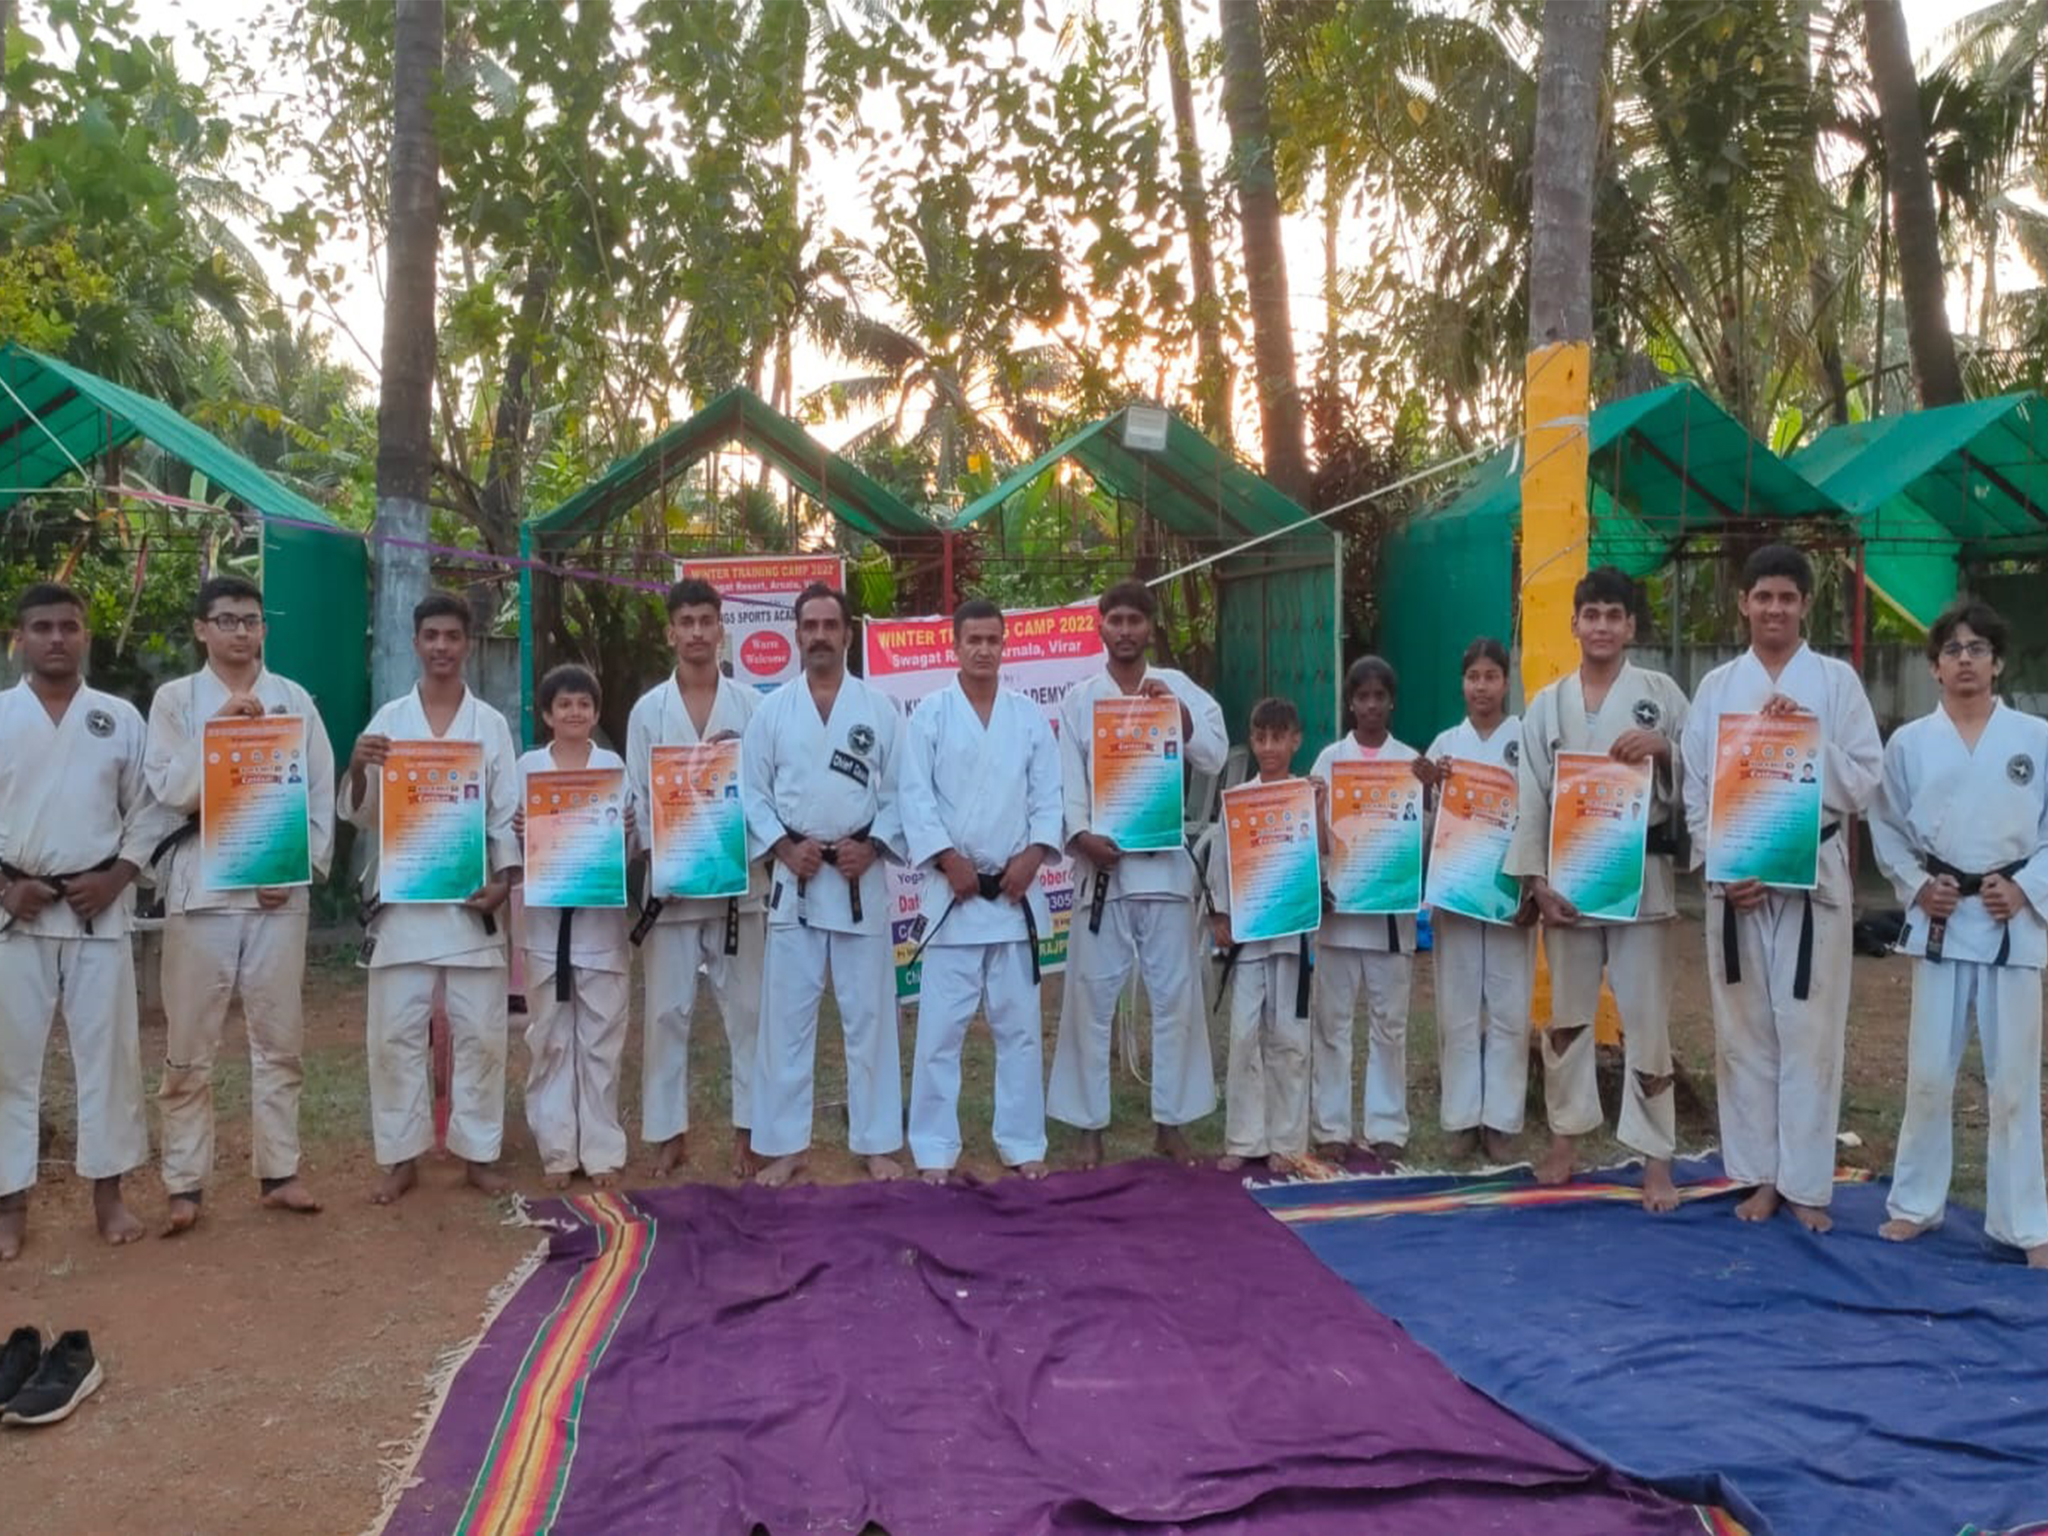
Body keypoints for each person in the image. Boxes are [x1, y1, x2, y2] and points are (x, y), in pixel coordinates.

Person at [1679, 545, 1881, 1233]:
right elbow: (1696, 789)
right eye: (1762, 596)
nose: (1774, 609)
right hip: (1738, 879)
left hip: (1811, 876)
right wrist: (1720, 867)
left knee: (1811, 1032)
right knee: (1744, 1034)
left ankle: (1806, 1184)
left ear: (1805, 605)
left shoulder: (1836, 683)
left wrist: (1806, 737)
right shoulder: (1716, 688)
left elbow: (1864, 780)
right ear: (1743, 603)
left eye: (1787, 598)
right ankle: (1758, 1176)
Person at [143, 575, 336, 1234]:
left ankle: (280, 1172)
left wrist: (300, 867)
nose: (240, 632)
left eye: (250, 620)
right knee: (188, 1044)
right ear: (201, 629)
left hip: (275, 891)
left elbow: (318, 788)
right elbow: (172, 791)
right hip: (202, 888)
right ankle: (184, 1183)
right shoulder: (176, 701)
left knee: (279, 1037)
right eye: (225, 620)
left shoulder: (293, 700)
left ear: (264, 629)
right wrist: (218, 728)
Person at [1868, 600, 2047, 1269]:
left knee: (2015, 1079)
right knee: (1929, 1073)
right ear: (1934, 667)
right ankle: (1916, 1205)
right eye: (1952, 650)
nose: (1965, 660)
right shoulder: (1910, 743)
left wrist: (2027, 888)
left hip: (2011, 918)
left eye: (1977, 649)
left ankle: (2024, 1223)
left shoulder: (2036, 736)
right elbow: (1886, 827)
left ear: (1997, 663)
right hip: (1941, 916)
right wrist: (1918, 886)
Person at [1506, 566, 1691, 1212]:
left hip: (1642, 880)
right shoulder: (1547, 704)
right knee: (1568, 1018)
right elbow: (1531, 796)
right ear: (1575, 624)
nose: (1603, 626)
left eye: (1615, 615)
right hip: (1569, 883)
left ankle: (1656, 1158)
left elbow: (1706, 774)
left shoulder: (1661, 695)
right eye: (1593, 615)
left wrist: (1665, 750)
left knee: (1647, 1022)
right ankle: (1565, 1140)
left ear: (1631, 626)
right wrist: (1536, 882)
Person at [339, 592, 521, 1204]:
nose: (442, 646)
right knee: (394, 1034)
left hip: (470, 905)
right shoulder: (388, 721)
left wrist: (504, 883)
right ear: (416, 642)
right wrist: (357, 767)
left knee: (481, 1033)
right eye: (431, 636)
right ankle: (400, 1156)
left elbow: (504, 813)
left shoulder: (489, 725)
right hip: (403, 907)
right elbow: (364, 814)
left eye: (452, 636)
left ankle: (478, 1154)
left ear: (467, 644)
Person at [1047, 579, 1228, 1167]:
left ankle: (1171, 1122)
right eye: (1116, 620)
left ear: (1150, 627)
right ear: (1100, 625)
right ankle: (1088, 1125)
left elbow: (1215, 755)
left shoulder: (1175, 686)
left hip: (1165, 870)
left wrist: (1178, 717)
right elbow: (1068, 778)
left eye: (1135, 621)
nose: (1125, 631)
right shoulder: (1080, 699)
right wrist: (1081, 836)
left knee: (1175, 998)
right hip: (1103, 873)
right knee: (1090, 996)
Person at [0, 583, 157, 1257]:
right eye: (42, 627)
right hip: (16, 913)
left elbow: (148, 809)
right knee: (7, 1062)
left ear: (86, 634)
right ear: (21, 638)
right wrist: (6, 890)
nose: (57, 637)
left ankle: (109, 1195)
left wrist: (116, 879)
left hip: (98, 908)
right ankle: (9, 1204)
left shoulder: (117, 717)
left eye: (68, 625)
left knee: (110, 1058)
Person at [741, 583, 908, 1186]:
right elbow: (752, 794)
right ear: (796, 635)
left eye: (829, 625)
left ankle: (877, 1142)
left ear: (847, 635)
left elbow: (901, 791)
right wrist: (784, 849)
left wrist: (875, 845)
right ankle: (786, 1146)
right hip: (799, 879)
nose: (819, 635)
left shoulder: (879, 709)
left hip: (860, 878)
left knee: (871, 1017)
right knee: (787, 1020)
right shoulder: (771, 713)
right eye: (809, 626)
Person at [897, 599, 1061, 1184]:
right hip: (956, 896)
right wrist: (947, 859)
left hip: (1013, 896)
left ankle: (1022, 1141)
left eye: (993, 639)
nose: (984, 649)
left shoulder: (1028, 718)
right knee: (941, 1031)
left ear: (1004, 644)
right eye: (974, 639)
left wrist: (1033, 857)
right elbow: (914, 797)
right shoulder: (930, 716)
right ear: (956, 645)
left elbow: (1048, 797)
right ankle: (934, 1147)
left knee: (1019, 1029)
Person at [625, 578, 766, 1178]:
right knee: (666, 1013)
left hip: (738, 886)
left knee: (748, 1010)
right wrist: (664, 854)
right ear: (670, 633)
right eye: (686, 622)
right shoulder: (648, 711)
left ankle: (750, 1130)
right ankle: (668, 1133)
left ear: (721, 629)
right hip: (673, 889)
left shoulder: (752, 706)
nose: (697, 632)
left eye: (707, 621)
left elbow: (766, 792)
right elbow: (638, 794)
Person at [1414, 637, 1535, 1164]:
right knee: (1458, 1006)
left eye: (1491, 676)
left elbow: (1541, 813)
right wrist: (1424, 787)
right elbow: (1422, 823)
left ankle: (1502, 1122)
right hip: (1459, 892)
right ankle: (1462, 1119)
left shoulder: (1526, 740)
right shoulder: (1445, 745)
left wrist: (1534, 886)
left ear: (1507, 682)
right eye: (1473, 677)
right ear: (1462, 684)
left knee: (1509, 1006)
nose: (1481, 687)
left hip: (1511, 893)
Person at [517, 665, 632, 1191]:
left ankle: (602, 1150)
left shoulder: (612, 767)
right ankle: (558, 1150)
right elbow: (512, 845)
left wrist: (625, 831)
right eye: (564, 704)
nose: (574, 712)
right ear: (547, 714)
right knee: (550, 1040)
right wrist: (523, 829)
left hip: (600, 928)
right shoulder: (529, 768)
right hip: (545, 929)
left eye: (584, 704)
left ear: (596, 712)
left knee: (601, 1042)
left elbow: (626, 855)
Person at [1207, 696, 1322, 1175]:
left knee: (1289, 1038)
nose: (1269, 747)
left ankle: (1287, 1140)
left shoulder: (1306, 795)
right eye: (1261, 738)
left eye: (1279, 738)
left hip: (1292, 935)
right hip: (1249, 936)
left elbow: (1326, 855)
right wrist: (1219, 914)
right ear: (1251, 741)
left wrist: (1319, 807)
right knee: (1244, 1034)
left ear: (1296, 740)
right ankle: (1244, 1137)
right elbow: (1220, 860)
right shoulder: (1238, 799)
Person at [1311, 657, 1419, 1162]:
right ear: (1350, 703)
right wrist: (1314, 807)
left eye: (1380, 696)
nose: (1371, 705)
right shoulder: (1329, 761)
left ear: (1391, 702)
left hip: (1390, 919)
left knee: (1389, 1025)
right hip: (1339, 914)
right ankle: (1331, 1127)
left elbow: (1421, 841)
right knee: (1331, 1025)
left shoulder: (1410, 763)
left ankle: (1386, 1127)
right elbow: (1314, 839)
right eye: (1363, 697)